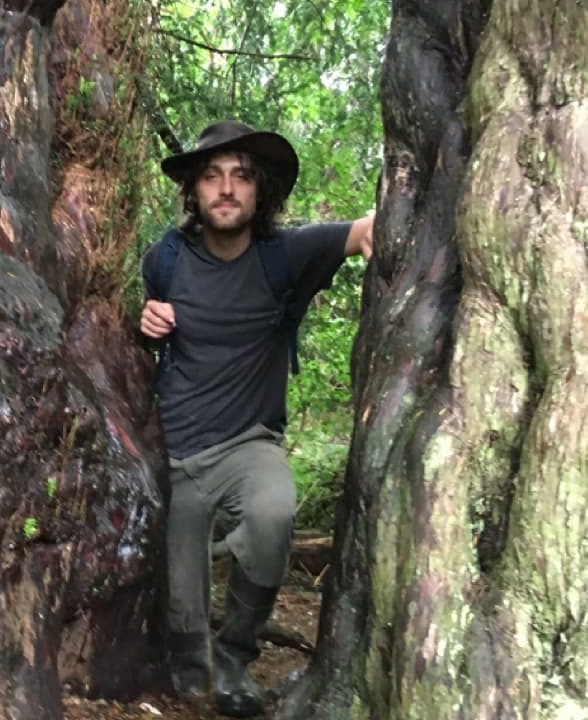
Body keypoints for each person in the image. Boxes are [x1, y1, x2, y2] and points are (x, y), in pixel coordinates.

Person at [139, 120, 373, 718]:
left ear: (259, 192)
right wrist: (146, 324)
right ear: (192, 191)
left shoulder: (288, 255)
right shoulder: (163, 260)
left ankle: (237, 657)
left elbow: (368, 230)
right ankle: (198, 677)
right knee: (184, 623)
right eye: (212, 176)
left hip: (251, 442)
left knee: (272, 517)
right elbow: (145, 338)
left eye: (240, 176)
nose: (225, 189)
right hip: (178, 451)